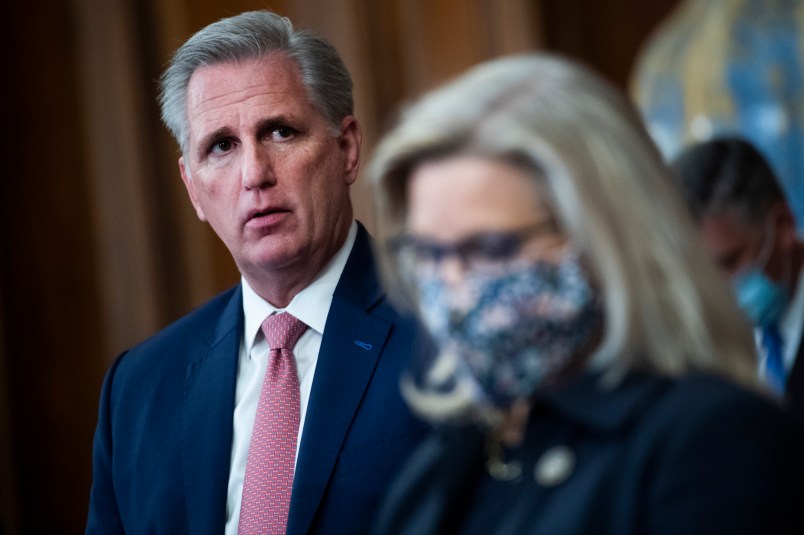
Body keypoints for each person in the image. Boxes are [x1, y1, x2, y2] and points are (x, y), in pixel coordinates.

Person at [367, 54, 804, 534]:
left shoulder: (714, 441)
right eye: (429, 253)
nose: (450, 283)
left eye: (489, 248)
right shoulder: (437, 466)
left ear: (603, 237)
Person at [86, 10, 430, 534]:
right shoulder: (137, 389)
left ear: (347, 149)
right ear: (192, 187)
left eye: (280, 132)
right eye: (221, 146)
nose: (254, 174)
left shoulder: (444, 330)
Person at [672, 137, 804, 419]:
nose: (717, 289)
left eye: (729, 263)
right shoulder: (703, 352)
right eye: (699, 272)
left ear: (783, 227)